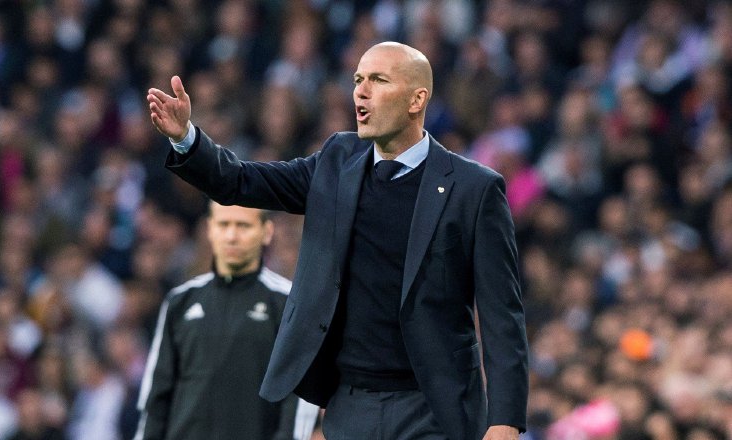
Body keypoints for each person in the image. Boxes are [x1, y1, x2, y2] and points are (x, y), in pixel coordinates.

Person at [147, 41, 528, 440]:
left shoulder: (473, 189)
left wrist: (505, 421)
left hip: (434, 407)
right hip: (350, 405)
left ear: (418, 100)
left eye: (378, 80)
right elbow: (241, 181)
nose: (360, 92)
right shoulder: (337, 159)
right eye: (357, 80)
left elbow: (503, 315)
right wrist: (186, 139)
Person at [134, 203, 318, 440]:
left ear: (266, 231)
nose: (232, 236)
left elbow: (298, 398)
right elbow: (156, 396)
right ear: (210, 230)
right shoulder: (180, 301)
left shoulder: (288, 303)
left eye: (243, 225)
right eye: (224, 225)